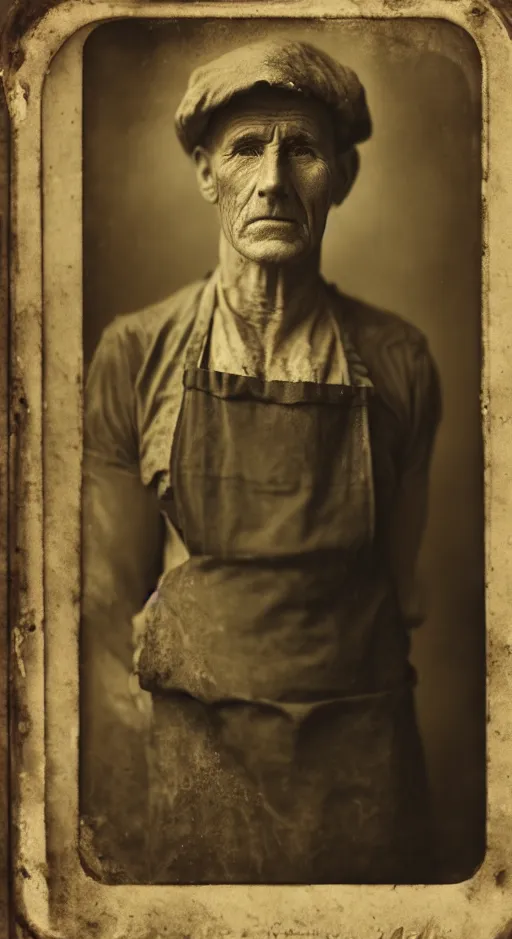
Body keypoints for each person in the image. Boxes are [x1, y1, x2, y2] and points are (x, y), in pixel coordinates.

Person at [80, 39, 442, 884]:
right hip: (193, 745)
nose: (274, 180)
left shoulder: (398, 362)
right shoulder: (136, 353)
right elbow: (108, 595)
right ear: (207, 172)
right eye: (247, 148)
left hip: (361, 751)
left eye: (303, 149)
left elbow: (409, 587)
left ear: (343, 178)